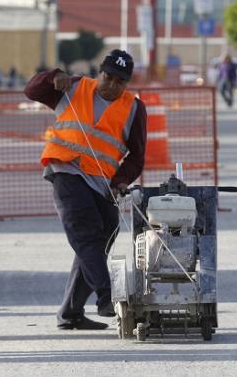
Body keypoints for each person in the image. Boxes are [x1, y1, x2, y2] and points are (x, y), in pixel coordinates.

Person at [24, 49, 147, 330]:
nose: (112, 85)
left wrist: (121, 181)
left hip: (101, 181)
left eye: (120, 81)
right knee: (86, 230)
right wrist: (53, 76)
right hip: (65, 170)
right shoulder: (74, 86)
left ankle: (70, 313)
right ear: (99, 72)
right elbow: (31, 90)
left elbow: (137, 156)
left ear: (127, 83)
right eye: (109, 77)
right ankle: (106, 296)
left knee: (105, 233)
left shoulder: (135, 108)